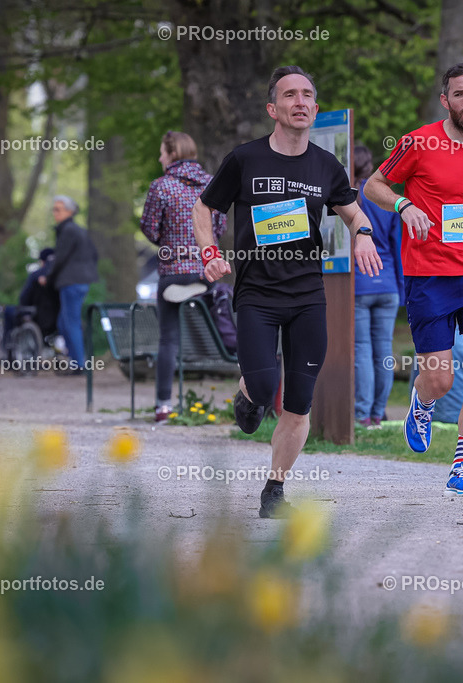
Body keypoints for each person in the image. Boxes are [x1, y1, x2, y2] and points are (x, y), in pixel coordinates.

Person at [193, 65, 381, 518]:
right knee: (263, 387)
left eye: (307, 95)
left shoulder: (326, 165)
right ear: (272, 109)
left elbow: (354, 213)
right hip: (257, 293)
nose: (300, 101)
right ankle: (248, 392)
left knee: (298, 402)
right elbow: (204, 207)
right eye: (290, 95)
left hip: (307, 296)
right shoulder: (246, 159)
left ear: (315, 109)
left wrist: (363, 235)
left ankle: (274, 491)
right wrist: (209, 253)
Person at [365, 62, 463, 497]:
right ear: (445, 100)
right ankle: (422, 401)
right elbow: (373, 186)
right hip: (429, 275)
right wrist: (403, 206)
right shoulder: (419, 142)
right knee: (441, 380)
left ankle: (461, 469)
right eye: (459, 94)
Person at [140, 130, 227, 422]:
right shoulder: (213, 183)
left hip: (173, 272)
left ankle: (163, 406)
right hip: (206, 269)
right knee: (225, 320)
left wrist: (165, 238)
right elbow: (221, 227)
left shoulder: (161, 186)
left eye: (162, 153)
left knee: (168, 339)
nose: (159, 158)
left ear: (173, 154)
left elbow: (150, 229)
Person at [352, 144, 403, 427]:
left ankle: (361, 414)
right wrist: (401, 288)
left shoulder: (349, 197)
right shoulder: (386, 199)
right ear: (370, 166)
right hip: (388, 284)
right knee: (384, 350)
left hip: (360, 284)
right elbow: (398, 247)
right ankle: (377, 412)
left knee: (361, 349)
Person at [45, 196, 98, 374]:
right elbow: (94, 254)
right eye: (54, 209)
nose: (55, 213)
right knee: (64, 322)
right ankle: (75, 360)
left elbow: (60, 258)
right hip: (80, 281)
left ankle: (79, 364)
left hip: (72, 282)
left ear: (69, 211)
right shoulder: (78, 230)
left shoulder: (68, 230)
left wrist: (48, 277)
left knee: (71, 322)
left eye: (58, 209)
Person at [3, 248, 60, 352]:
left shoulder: (36, 275)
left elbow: (24, 298)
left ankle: (7, 349)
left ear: (42, 261)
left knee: (8, 311)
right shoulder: (63, 276)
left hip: (37, 315)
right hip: (57, 318)